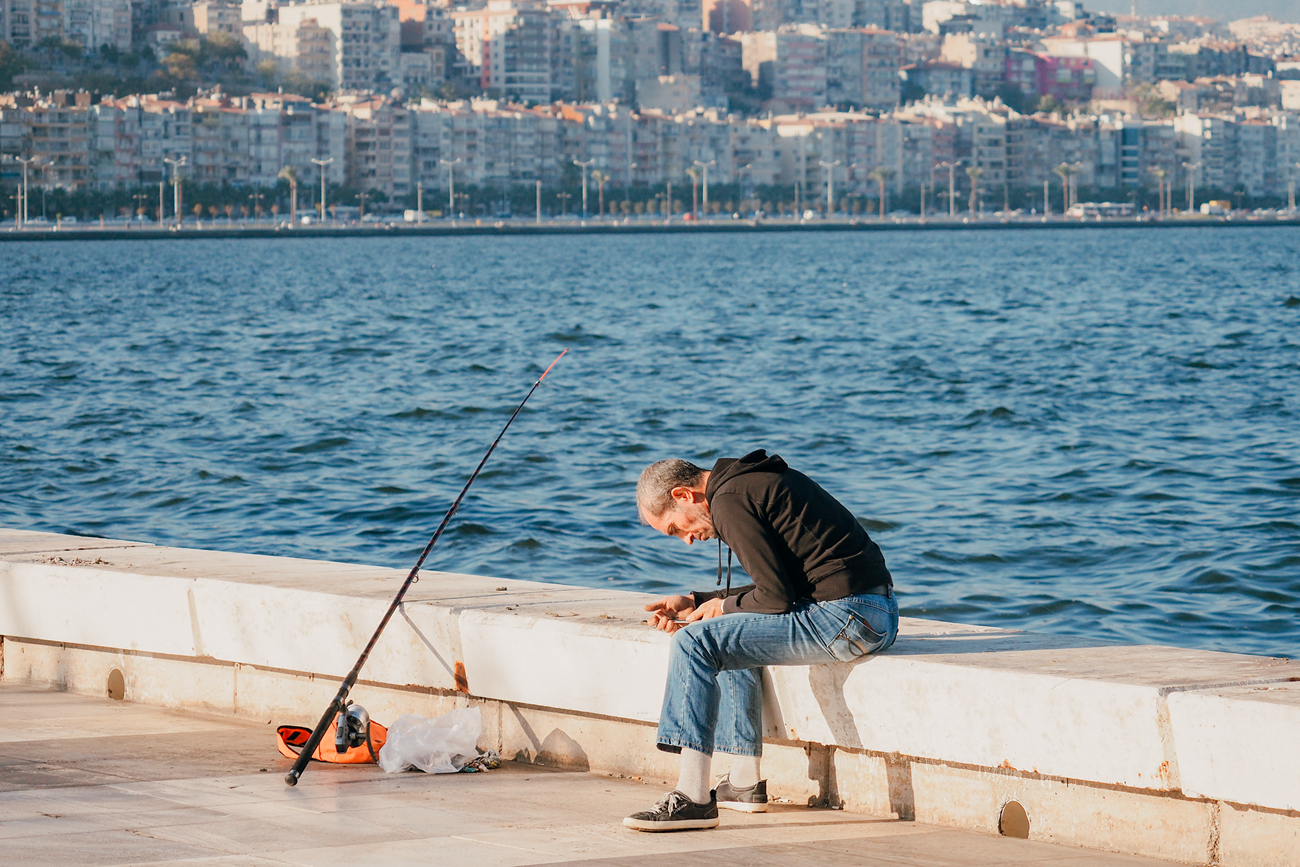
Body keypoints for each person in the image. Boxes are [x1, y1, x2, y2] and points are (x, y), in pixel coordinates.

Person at [623, 449, 897, 832]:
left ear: (683, 495)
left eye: (675, 528)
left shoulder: (731, 502)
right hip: (873, 611)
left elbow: (775, 598)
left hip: (847, 617)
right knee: (728, 633)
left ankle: (693, 798)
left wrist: (721, 607)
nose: (687, 540)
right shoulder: (746, 485)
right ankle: (743, 783)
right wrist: (699, 602)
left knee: (695, 643)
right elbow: (778, 587)